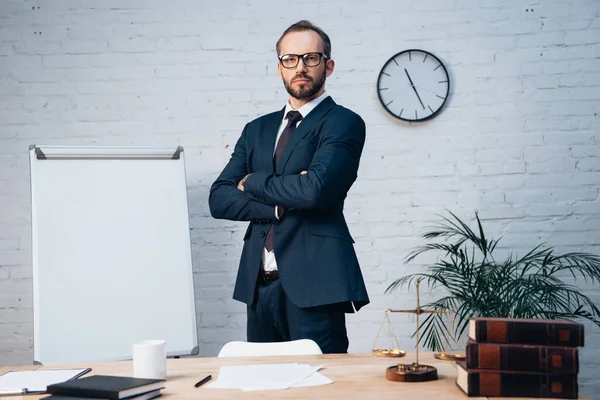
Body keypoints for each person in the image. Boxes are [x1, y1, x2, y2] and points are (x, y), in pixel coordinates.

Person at [208, 20, 369, 354]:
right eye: (290, 59)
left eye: (311, 58)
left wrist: (250, 182)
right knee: (264, 385)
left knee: (322, 383)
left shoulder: (343, 122)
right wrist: (279, 202)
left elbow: (316, 190)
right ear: (279, 67)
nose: (300, 67)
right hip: (259, 285)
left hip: (316, 284)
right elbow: (219, 199)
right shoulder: (256, 129)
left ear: (329, 65)